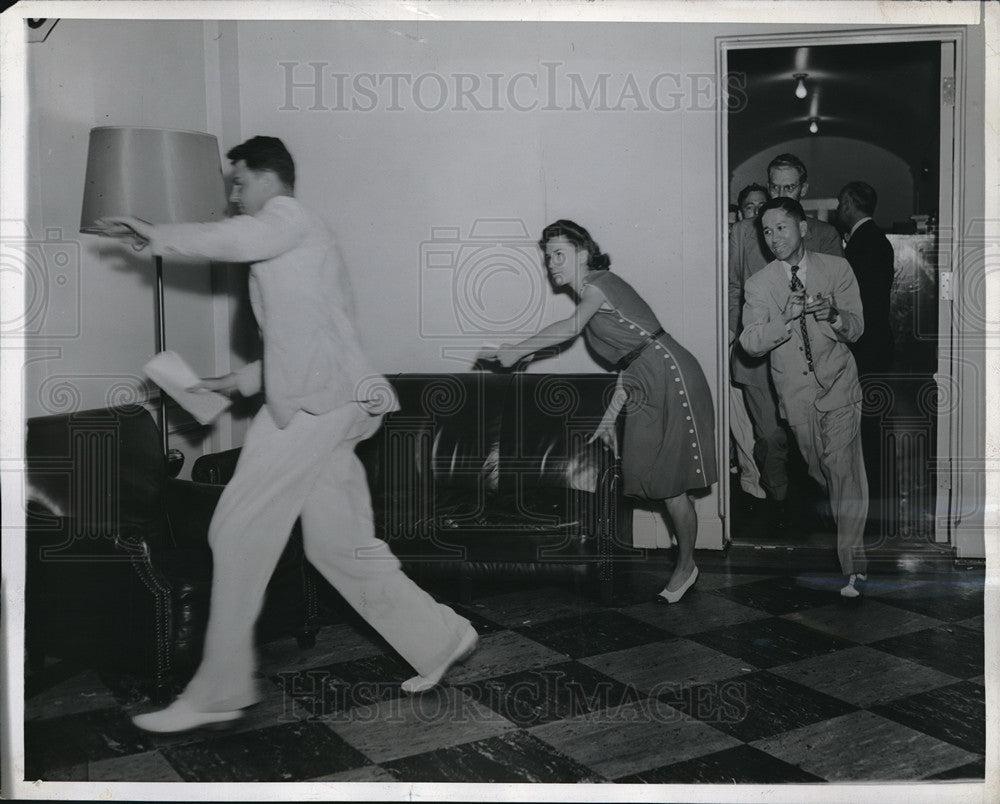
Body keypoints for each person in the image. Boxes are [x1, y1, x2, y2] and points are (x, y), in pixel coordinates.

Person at [95, 136, 477, 733]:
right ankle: (440, 636)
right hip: (332, 398)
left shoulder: (287, 218)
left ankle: (220, 690)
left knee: (235, 527)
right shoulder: (297, 238)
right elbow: (309, 334)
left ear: (266, 176)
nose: (234, 195)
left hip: (310, 410)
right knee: (337, 546)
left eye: (238, 182)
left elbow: (239, 239)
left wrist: (157, 230)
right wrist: (235, 381)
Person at [479, 220, 717, 603]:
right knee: (652, 478)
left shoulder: (598, 283)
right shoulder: (595, 293)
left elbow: (572, 328)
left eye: (559, 254)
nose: (551, 264)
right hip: (646, 377)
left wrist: (517, 349)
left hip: (670, 375)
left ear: (583, 254)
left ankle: (686, 565)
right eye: (548, 257)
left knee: (671, 485)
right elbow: (631, 356)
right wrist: (610, 415)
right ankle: (686, 561)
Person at [740, 197, 868, 597]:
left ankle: (854, 567)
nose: (774, 238)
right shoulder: (759, 284)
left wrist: (833, 316)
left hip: (840, 386)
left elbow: (857, 327)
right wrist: (785, 318)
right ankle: (841, 522)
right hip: (795, 396)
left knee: (842, 467)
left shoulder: (837, 268)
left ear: (803, 228)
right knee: (821, 471)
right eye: (766, 230)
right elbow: (750, 342)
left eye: (781, 227)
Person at [728, 153, 844, 532]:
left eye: (789, 187)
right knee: (769, 437)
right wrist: (738, 335)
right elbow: (732, 288)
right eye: (775, 186)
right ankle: (778, 509)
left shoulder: (823, 235)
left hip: (806, 358)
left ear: (804, 190)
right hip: (757, 358)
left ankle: (826, 506)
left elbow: (837, 292)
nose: (780, 193)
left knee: (811, 437)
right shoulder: (744, 232)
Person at [836, 181, 896, 534]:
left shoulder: (862, 244)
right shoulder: (877, 240)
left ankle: (868, 506)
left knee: (865, 427)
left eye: (841, 202)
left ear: (848, 203)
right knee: (871, 422)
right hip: (878, 344)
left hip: (865, 346)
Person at [728, 182, 771, 502]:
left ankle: (769, 476)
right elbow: (732, 286)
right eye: (749, 208)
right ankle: (749, 475)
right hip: (739, 336)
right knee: (741, 415)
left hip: (774, 338)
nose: (755, 214)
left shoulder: (776, 238)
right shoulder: (738, 237)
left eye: (761, 207)